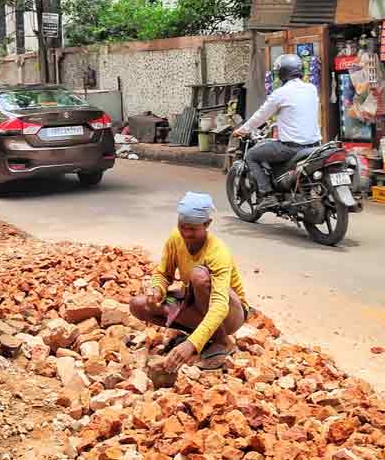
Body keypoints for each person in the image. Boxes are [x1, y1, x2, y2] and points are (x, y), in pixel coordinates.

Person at [129, 192, 249, 371]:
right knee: (139, 305)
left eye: (192, 229)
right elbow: (163, 274)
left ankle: (222, 342)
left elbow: (219, 306)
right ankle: (206, 336)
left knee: (198, 276)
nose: (186, 233)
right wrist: (157, 290)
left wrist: (191, 344)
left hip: (230, 313)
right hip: (194, 303)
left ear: (207, 224)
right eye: (182, 227)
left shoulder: (218, 252)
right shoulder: (175, 238)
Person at [233, 54, 321, 210]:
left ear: (282, 73)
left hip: (291, 148)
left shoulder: (280, 93)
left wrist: (242, 130)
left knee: (252, 155)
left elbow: (260, 116)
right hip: (314, 146)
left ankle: (267, 195)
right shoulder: (311, 89)